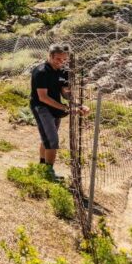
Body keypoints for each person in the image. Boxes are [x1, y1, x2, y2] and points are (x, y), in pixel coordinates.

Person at [30, 43, 88, 179]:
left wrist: (78, 105)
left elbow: (65, 92)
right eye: (58, 59)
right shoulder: (41, 72)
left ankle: (42, 167)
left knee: (47, 137)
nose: (61, 62)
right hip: (41, 107)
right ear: (50, 56)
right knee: (52, 140)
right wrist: (67, 108)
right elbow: (43, 97)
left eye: (64, 59)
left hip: (55, 107)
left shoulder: (63, 71)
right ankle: (49, 174)